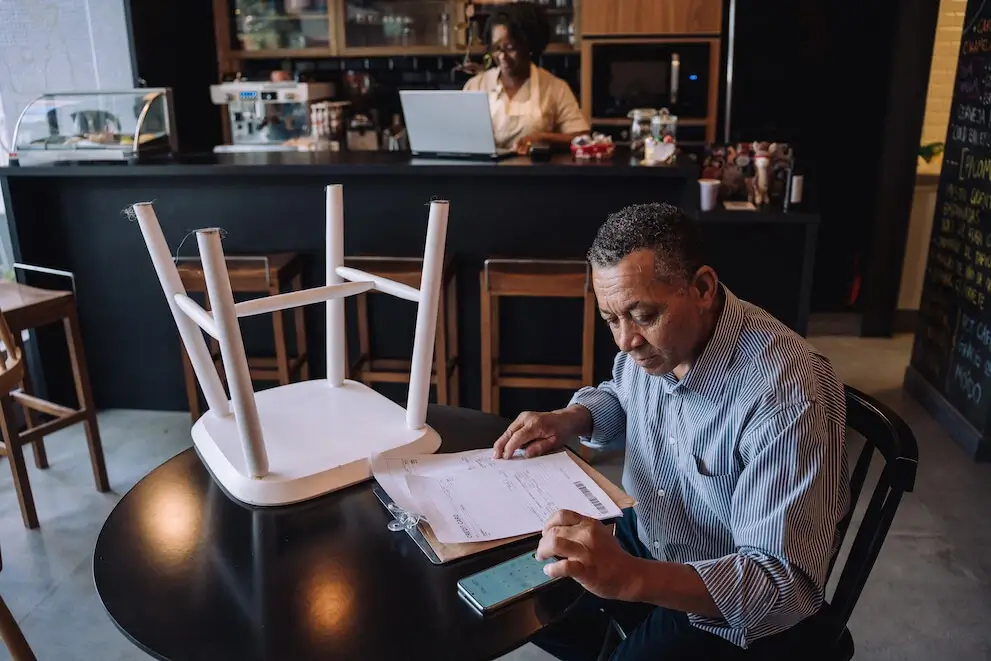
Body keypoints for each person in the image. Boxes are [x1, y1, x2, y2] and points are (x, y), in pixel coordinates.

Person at [492, 203, 851, 660]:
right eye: (611, 319)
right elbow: (623, 393)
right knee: (518, 608)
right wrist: (574, 418)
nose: (625, 341)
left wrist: (630, 578)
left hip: (727, 601)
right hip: (650, 537)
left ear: (702, 288)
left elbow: (780, 586)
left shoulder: (786, 390)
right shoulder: (658, 345)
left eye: (642, 315)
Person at [462, 2, 590, 154]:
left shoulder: (555, 88)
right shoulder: (476, 86)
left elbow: (582, 138)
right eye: (496, 48)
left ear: (529, 45)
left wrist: (544, 138)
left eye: (510, 48)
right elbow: (456, 134)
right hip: (482, 176)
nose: (502, 56)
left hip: (536, 175)